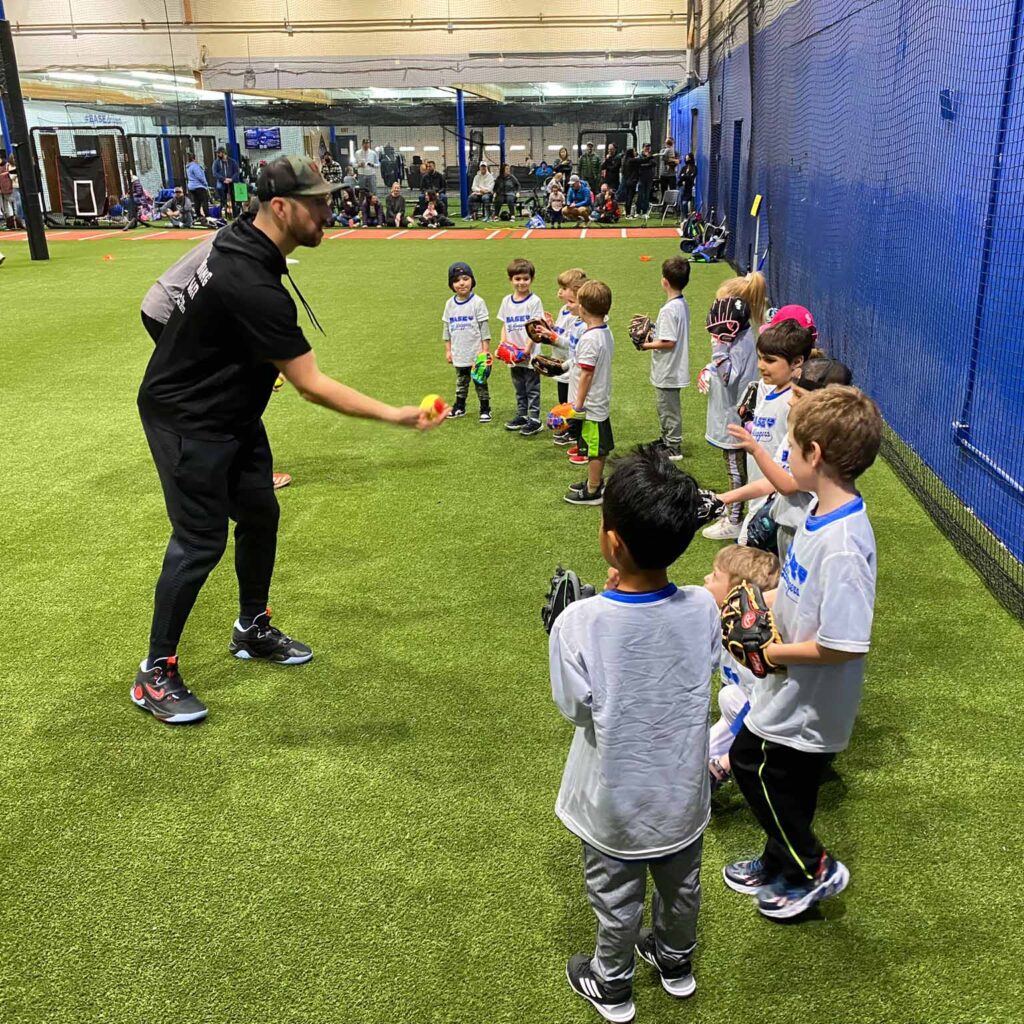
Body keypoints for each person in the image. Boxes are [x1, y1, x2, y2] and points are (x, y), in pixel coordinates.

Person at [131, 155, 444, 725]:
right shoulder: (251, 281)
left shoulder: (239, 239)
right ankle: (155, 671)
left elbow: (173, 309)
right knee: (200, 542)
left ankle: (251, 627)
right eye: (319, 202)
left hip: (232, 415)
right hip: (186, 419)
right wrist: (397, 416)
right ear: (280, 207)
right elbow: (312, 386)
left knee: (260, 514)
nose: (331, 210)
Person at [553, 447, 719, 1021]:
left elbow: (575, 709)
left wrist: (571, 624)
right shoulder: (704, 606)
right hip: (683, 796)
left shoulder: (579, 622)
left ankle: (613, 983)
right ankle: (675, 963)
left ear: (612, 543)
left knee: (616, 898)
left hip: (616, 804)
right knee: (682, 887)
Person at [723, 385, 882, 920]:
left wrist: (775, 652)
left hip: (809, 696)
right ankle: (780, 863)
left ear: (814, 455)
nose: (785, 454)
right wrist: (760, 602)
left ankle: (812, 866)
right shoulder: (816, 513)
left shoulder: (843, 547)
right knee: (790, 787)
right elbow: (797, 588)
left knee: (752, 765)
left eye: (791, 445)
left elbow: (843, 644)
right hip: (790, 685)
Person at [716, 357, 855, 561]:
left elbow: (788, 485)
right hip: (786, 528)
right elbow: (774, 480)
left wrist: (757, 451)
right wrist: (724, 498)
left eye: (799, 395)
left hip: (809, 536)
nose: (791, 401)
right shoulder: (798, 431)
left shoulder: (826, 446)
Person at [702, 545, 781, 792]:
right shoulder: (722, 621)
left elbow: (764, 708)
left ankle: (744, 761)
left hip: (774, 723)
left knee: (730, 697)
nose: (706, 578)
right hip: (748, 708)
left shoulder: (759, 643)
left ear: (738, 595)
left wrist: (726, 763)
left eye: (715, 575)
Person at [735, 313, 817, 544]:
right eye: (760, 358)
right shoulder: (771, 391)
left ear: (797, 362)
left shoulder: (794, 402)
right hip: (760, 492)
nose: (761, 366)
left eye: (770, 360)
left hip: (774, 499)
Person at [699, 296, 760, 541]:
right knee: (735, 466)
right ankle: (735, 512)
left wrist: (718, 350)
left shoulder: (740, 345)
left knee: (735, 468)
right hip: (735, 413)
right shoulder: (745, 338)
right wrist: (708, 368)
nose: (716, 334)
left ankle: (735, 519)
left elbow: (728, 377)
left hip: (736, 417)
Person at [564, 280, 615, 505]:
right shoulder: (604, 331)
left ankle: (593, 489)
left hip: (591, 405)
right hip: (598, 400)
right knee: (595, 445)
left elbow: (586, 374)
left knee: (594, 448)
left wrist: (578, 405)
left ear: (583, 308)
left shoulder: (589, 339)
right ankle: (593, 481)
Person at [637, 257, 690, 462]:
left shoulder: (669, 309)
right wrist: (652, 328)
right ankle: (666, 438)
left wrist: (645, 345)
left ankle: (673, 446)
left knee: (668, 407)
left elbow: (668, 341)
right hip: (671, 366)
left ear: (664, 281)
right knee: (665, 406)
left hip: (669, 368)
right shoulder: (680, 304)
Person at [498, 258, 545, 435]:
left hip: (530, 353)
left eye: (525, 278)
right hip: (512, 353)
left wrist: (527, 349)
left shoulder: (534, 301)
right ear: (510, 280)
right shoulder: (506, 301)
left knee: (532, 387)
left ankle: (535, 419)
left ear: (531, 279)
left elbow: (536, 327)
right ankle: (522, 415)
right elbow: (505, 324)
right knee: (519, 386)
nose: (521, 283)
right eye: (517, 279)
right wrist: (502, 345)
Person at [443, 261, 492, 422]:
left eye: (465, 278)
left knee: (480, 381)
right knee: (461, 381)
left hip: (476, 353)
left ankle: (485, 408)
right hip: (459, 352)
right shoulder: (450, 304)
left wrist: (485, 351)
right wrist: (448, 350)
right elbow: (447, 329)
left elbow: (484, 328)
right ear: (451, 285)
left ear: (472, 280)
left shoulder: (477, 302)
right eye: (456, 280)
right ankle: (460, 406)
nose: (461, 283)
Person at [547, 268, 588, 449]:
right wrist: (550, 328)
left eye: (564, 288)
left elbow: (570, 343)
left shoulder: (576, 316)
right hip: (562, 365)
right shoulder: (565, 310)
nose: (560, 292)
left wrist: (553, 338)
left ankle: (573, 431)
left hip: (571, 366)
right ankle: (568, 428)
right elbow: (561, 332)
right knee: (564, 400)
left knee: (572, 402)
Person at [212, 146, 241, 218]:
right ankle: (224, 215)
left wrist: (231, 179)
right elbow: (215, 173)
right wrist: (223, 179)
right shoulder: (216, 162)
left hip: (232, 182)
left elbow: (236, 172)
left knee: (233, 199)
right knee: (223, 199)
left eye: (219, 153)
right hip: (221, 182)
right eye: (217, 153)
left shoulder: (232, 162)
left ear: (223, 153)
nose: (218, 154)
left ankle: (234, 215)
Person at [185, 152, 211, 219]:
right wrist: (205, 183)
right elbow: (199, 176)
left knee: (197, 201)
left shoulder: (188, 167)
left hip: (191, 187)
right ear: (194, 158)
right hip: (199, 186)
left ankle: (198, 215)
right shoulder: (195, 166)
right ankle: (207, 215)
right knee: (204, 200)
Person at [636, 144, 658, 216]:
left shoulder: (650, 156)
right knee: (640, 195)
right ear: (643, 148)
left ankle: (645, 212)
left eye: (648, 148)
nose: (647, 150)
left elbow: (654, 163)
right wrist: (648, 165)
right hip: (641, 178)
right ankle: (638, 211)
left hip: (649, 178)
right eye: (646, 148)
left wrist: (649, 158)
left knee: (647, 195)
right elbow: (640, 165)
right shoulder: (639, 156)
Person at [0, 151, 18, 230]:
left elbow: (10, 176)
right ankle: (9, 222)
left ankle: (14, 222)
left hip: (8, 188)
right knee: (5, 206)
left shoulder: (7, 166)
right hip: (3, 189)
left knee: (11, 204)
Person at [617, 148, 638, 213]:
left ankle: (627, 212)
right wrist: (650, 157)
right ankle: (628, 213)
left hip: (627, 181)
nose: (635, 153)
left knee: (628, 197)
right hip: (631, 181)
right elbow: (641, 160)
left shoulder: (626, 161)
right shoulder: (632, 160)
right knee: (630, 197)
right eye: (634, 151)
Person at [678, 153, 697, 217]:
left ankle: (686, 216)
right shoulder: (684, 168)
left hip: (689, 187)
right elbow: (680, 176)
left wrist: (684, 176)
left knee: (685, 202)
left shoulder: (694, 168)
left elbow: (691, 177)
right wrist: (684, 176)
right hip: (682, 186)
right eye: (686, 158)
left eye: (687, 157)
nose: (686, 159)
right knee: (681, 201)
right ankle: (682, 217)